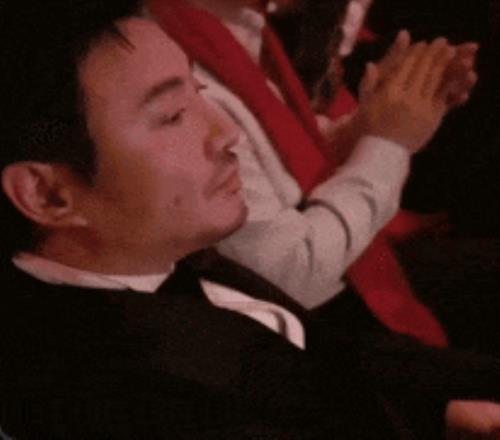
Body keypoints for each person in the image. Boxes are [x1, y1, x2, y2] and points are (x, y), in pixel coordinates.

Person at [1, 0, 500, 438]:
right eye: (173, 115)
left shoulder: (160, 253)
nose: (228, 133)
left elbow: (318, 360)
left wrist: (442, 414)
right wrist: (387, 140)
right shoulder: (131, 394)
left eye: (199, 92)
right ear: (47, 194)